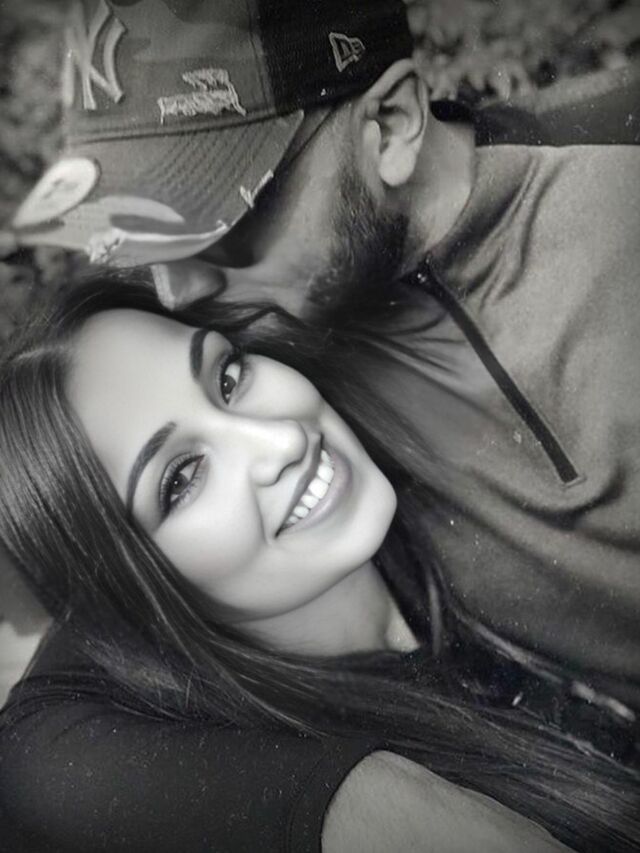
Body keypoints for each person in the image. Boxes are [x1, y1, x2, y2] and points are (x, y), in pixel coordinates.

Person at [4, 0, 640, 717]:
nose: (175, 292)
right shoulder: (254, 347)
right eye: (143, 236)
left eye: (221, 217)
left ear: (391, 125)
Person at [0, 272, 638, 853]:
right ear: (127, 585)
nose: (281, 438)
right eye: (183, 477)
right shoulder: (247, 771)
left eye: (228, 378)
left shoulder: (434, 475)